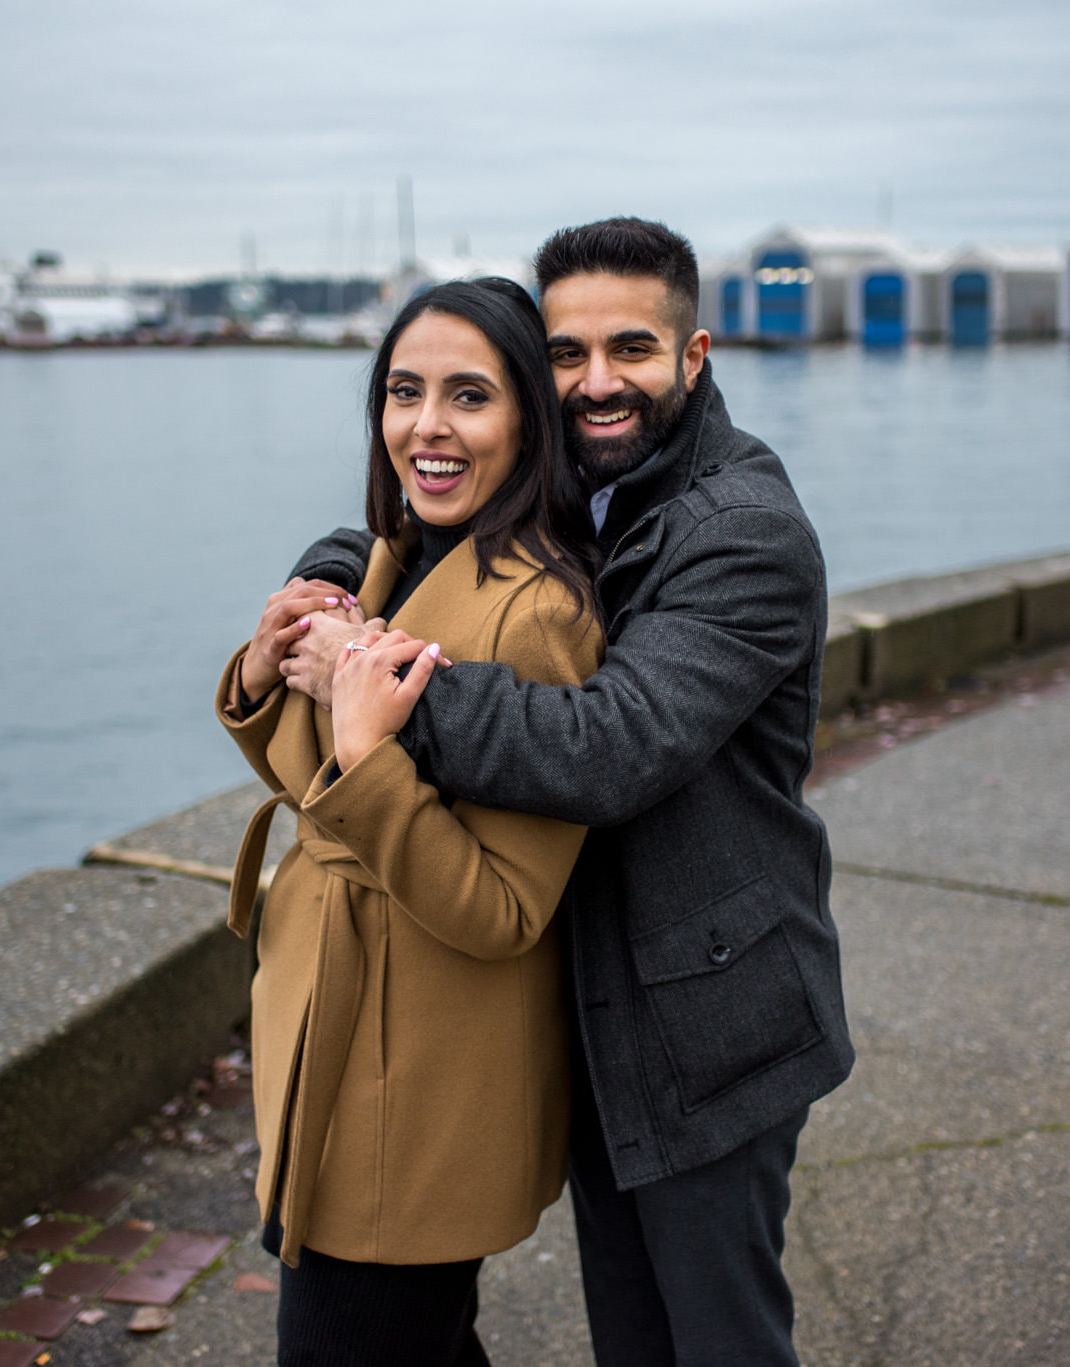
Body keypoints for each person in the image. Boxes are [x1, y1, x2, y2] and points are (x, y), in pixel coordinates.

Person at [275, 218, 853, 1367]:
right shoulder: (591, 479)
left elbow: (611, 745)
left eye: (631, 349)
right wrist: (341, 567)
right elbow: (427, 510)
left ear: (693, 357)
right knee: (634, 1339)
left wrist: (379, 683)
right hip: (596, 994)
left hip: (707, 1012)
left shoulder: (743, 531)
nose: (597, 382)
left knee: (716, 1339)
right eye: (565, 353)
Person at [217, 277, 605, 1366]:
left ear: (529, 417)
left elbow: (503, 908)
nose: (424, 427)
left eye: (468, 396)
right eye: (402, 391)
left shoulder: (538, 610)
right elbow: (323, 782)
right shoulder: (396, 553)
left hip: (420, 1066)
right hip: (330, 1023)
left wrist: (369, 757)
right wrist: (260, 675)